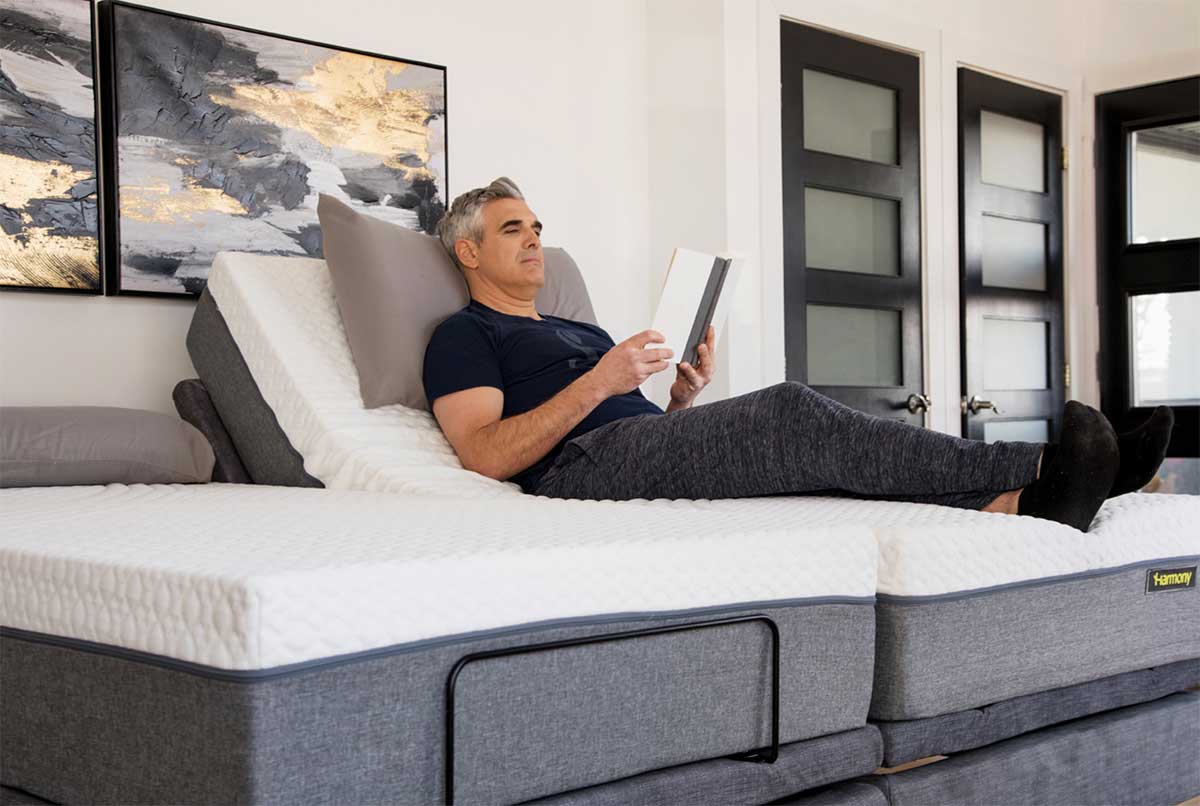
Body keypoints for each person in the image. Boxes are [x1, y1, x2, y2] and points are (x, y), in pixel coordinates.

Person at [422, 178, 1174, 532]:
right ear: (469, 251)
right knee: (788, 412)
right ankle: (1050, 465)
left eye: (536, 226)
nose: (535, 240)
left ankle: (1037, 503)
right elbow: (485, 454)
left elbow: (636, 423)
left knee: (822, 470)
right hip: (576, 472)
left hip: (630, 441)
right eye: (514, 229)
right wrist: (599, 384)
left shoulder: (571, 327)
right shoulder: (465, 335)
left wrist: (680, 397)